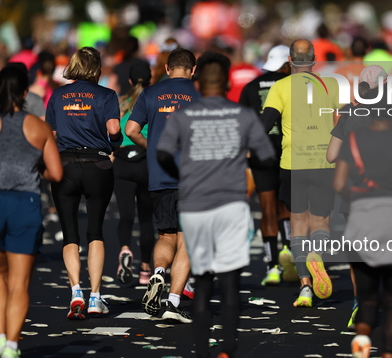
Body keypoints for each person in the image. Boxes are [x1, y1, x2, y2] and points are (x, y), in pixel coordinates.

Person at [157, 51, 275, 358]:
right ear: (225, 86)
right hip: (231, 206)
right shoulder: (243, 116)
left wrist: (183, 175)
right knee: (230, 282)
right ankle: (227, 348)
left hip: (196, 206)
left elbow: (163, 154)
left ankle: (200, 349)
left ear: (199, 85)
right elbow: (266, 157)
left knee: (203, 282)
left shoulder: (184, 116)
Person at [333, 95, 392, 358]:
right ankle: (388, 355)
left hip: (362, 220)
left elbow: (339, 184)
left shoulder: (352, 141)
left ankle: (362, 337)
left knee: (367, 296)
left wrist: (359, 196)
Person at [261, 39, 340, 307]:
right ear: (314, 59)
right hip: (324, 162)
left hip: (292, 163)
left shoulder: (280, 87)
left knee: (298, 226)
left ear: (290, 61)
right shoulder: (331, 84)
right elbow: (342, 123)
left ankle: (305, 288)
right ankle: (317, 253)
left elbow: (266, 124)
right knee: (321, 224)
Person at [45, 47, 122, 319]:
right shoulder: (106, 95)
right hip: (97, 164)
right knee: (96, 232)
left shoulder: (58, 95)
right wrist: (114, 145)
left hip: (65, 164)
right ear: (96, 68)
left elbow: (51, 134)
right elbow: (114, 130)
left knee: (69, 233)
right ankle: (95, 297)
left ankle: (76, 291)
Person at [126, 48, 199, 323]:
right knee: (189, 242)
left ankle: (157, 273)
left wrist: (152, 146)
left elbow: (130, 130)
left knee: (166, 236)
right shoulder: (199, 94)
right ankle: (173, 301)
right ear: (193, 69)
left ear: (167, 68)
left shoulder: (150, 93)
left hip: (159, 175)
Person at [0, 66, 63, 358]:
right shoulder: (38, 127)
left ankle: (0, 336)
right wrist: (35, 168)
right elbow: (56, 174)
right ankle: (11, 347)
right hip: (24, 204)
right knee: (19, 281)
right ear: (26, 92)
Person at [239, 45, 295, 286]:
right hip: (288, 151)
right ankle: (289, 250)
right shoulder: (292, 85)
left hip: (261, 154)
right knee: (288, 207)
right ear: (287, 65)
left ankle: (272, 266)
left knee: (267, 207)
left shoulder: (251, 87)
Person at [114, 61, 154, 285]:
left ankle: (125, 250)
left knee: (125, 215)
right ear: (150, 79)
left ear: (129, 80)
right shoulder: (153, 100)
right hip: (146, 159)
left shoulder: (121, 102)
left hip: (122, 161)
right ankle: (145, 269)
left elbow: (113, 131)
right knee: (146, 219)